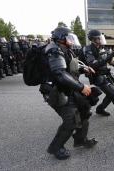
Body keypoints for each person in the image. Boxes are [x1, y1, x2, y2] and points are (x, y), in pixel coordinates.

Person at [39, 27, 98, 160]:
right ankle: (56, 148)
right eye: (69, 38)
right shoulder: (53, 50)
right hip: (56, 91)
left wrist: (84, 69)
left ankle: (80, 139)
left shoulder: (64, 50)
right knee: (71, 120)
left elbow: (69, 69)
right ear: (61, 38)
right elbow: (60, 74)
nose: (71, 40)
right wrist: (82, 87)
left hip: (67, 89)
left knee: (85, 111)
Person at [83, 29, 114, 118]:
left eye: (100, 38)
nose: (100, 40)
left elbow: (111, 62)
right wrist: (108, 57)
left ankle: (100, 109)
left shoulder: (101, 48)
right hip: (97, 76)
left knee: (113, 93)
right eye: (98, 38)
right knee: (113, 94)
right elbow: (94, 65)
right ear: (92, 39)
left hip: (105, 74)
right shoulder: (88, 49)